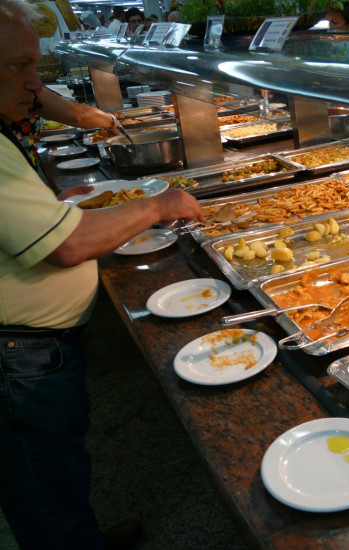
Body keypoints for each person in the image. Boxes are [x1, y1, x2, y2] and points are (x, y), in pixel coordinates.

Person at [0, 2, 204, 549]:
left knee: (55, 472)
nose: (34, 84)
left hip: (27, 350)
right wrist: (159, 204)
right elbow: (68, 245)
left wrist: (46, 207)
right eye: (18, 66)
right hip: (16, 357)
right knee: (43, 484)